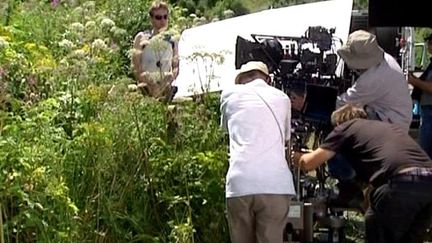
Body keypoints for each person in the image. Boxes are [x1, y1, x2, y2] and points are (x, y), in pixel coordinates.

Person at [296, 104, 432, 243]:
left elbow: (308, 163)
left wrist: (295, 157)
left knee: (376, 231)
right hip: (428, 183)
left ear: (338, 123)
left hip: (400, 183)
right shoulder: (385, 128)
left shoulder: (346, 127)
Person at [220, 61, 295, 243]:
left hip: (240, 183)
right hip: (275, 184)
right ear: (267, 79)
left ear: (242, 79)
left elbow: (225, 131)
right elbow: (286, 139)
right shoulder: (283, 98)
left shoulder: (229, 95)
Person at [337, 30, 412, 133]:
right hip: (398, 119)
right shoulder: (385, 59)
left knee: (348, 118)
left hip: (391, 126)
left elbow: (343, 103)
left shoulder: (373, 78)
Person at [132, 1, 179, 100]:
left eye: (165, 17)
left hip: (166, 88)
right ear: (151, 19)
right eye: (158, 17)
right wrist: (149, 83)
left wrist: (169, 79)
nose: (162, 20)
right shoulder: (142, 38)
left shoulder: (172, 40)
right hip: (145, 89)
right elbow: (135, 66)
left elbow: (176, 65)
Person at [408, 33, 432, 158]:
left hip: (430, 112)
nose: (428, 46)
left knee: (426, 152)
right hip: (427, 111)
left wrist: (413, 81)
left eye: (430, 43)